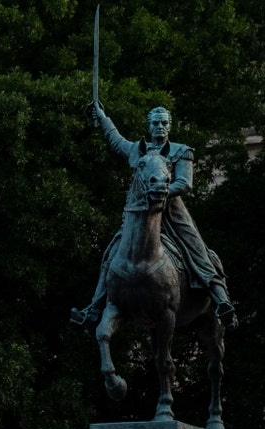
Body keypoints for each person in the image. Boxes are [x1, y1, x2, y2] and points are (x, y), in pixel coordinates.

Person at [70, 104, 234, 331]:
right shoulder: (139, 151)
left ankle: (222, 301)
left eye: (164, 123)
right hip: (140, 216)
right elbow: (116, 140)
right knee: (112, 253)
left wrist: (162, 191)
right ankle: (95, 307)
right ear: (148, 126)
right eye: (155, 123)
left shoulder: (181, 150)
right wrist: (102, 116)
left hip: (171, 213)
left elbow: (184, 183)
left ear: (170, 125)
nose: (159, 127)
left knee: (198, 250)